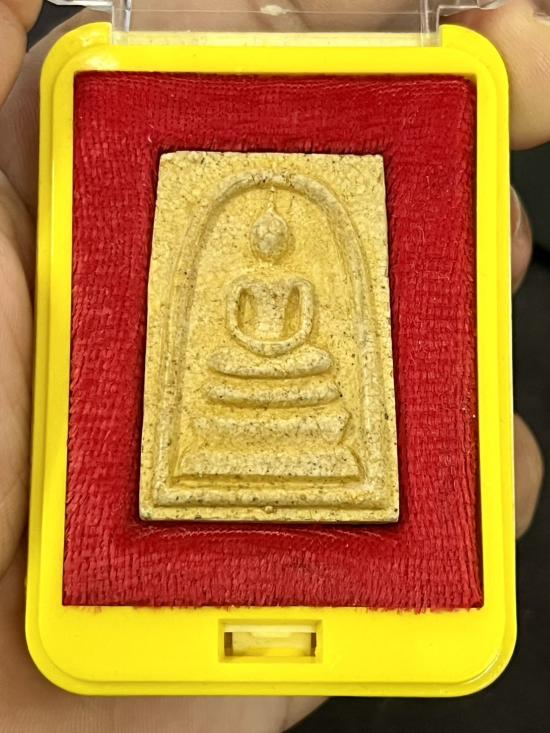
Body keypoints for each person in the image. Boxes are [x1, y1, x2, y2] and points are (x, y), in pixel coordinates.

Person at [0, 1, 546, 730]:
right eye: (258, 236)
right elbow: (225, 325)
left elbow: (311, 330)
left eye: (270, 236)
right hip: (238, 372)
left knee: (323, 371)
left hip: (299, 373)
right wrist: (249, 353)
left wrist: (285, 353)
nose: (264, 244)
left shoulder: (296, 280)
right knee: (220, 379)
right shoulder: (237, 272)